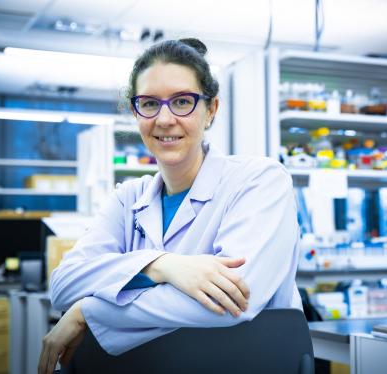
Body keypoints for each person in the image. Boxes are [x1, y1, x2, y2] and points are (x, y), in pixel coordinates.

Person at [38, 38, 302, 374]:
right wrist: (161, 266)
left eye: (182, 102)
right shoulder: (128, 199)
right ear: (136, 112)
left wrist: (88, 311)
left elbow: (233, 300)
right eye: (149, 103)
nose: (164, 119)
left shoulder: (260, 180)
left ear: (212, 110)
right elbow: (63, 285)